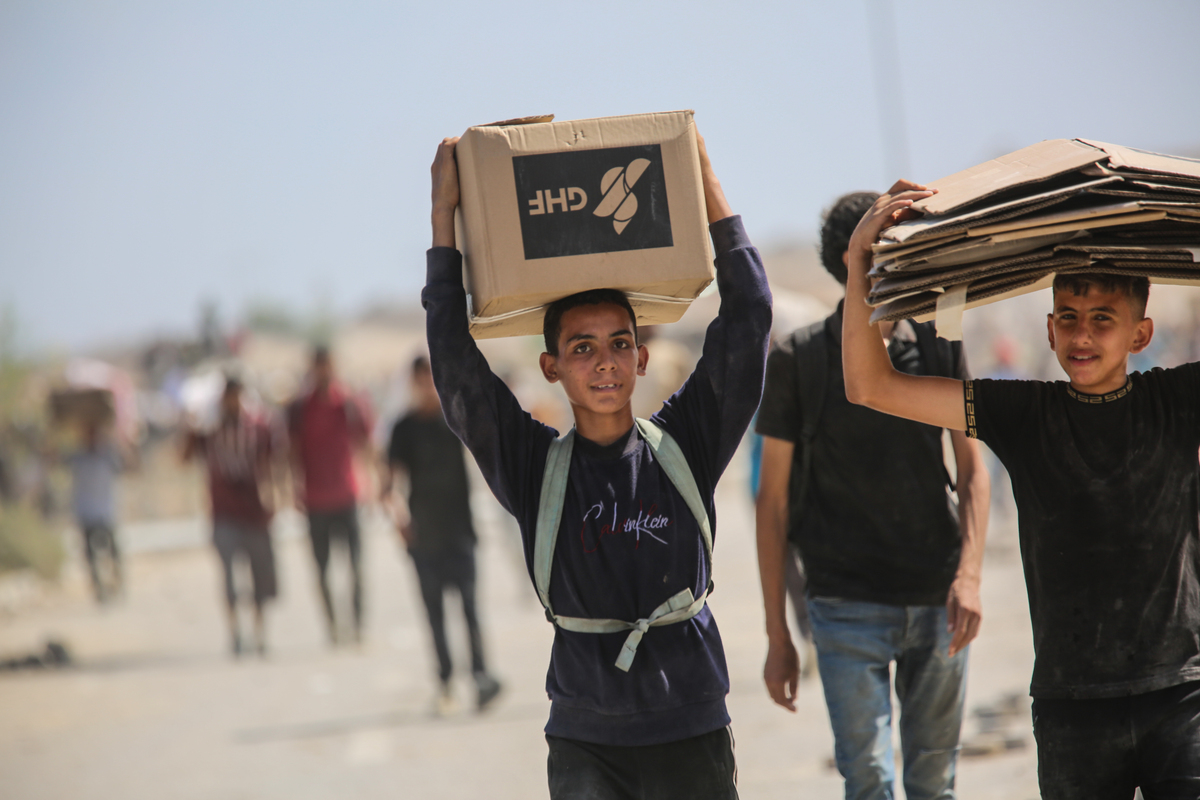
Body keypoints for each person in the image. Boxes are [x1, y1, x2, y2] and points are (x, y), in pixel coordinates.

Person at [422, 129, 771, 800]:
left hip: (692, 725)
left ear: (642, 357)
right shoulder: (535, 470)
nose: (604, 362)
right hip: (586, 741)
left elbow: (749, 316)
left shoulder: (686, 446)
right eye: (581, 348)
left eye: (619, 343)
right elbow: (457, 370)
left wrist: (702, 176)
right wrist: (444, 219)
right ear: (550, 368)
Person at [841, 180, 1200, 798]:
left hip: (1184, 694)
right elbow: (871, 386)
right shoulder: (1023, 412)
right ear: (1050, 328)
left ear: (1139, 336)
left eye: (1102, 321)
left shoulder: (1177, 399)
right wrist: (857, 263)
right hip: (1071, 706)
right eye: (1068, 319)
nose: (1081, 336)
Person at [755, 191, 990, 799]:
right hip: (843, 605)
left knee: (934, 783)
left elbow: (972, 468)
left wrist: (968, 576)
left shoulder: (937, 344)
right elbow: (772, 504)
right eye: (884, 246)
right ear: (851, 259)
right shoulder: (798, 360)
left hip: (937, 599)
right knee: (868, 780)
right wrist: (779, 636)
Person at [381, 355, 502, 714]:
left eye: (431, 379)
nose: (426, 387)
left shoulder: (456, 419)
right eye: (420, 379)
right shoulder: (403, 428)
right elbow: (388, 485)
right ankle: (446, 684)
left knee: (470, 610)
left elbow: (490, 448)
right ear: (412, 383)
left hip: (460, 531)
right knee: (435, 616)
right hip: (424, 538)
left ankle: (481, 678)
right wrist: (400, 520)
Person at [182, 377, 279, 657]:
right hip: (224, 512)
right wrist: (189, 426)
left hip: (255, 511)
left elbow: (274, 461)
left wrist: (275, 496)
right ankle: (236, 632)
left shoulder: (259, 427)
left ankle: (260, 633)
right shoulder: (208, 428)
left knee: (260, 575)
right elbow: (185, 457)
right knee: (229, 577)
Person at [287, 346, 372, 645]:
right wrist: (291, 488)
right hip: (315, 501)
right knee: (322, 571)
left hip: (347, 496)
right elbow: (291, 451)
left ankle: (358, 627)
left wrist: (370, 484)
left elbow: (367, 443)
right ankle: (334, 627)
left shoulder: (349, 403)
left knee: (357, 567)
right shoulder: (299, 408)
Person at [68, 420, 128, 603]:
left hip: (106, 511)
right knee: (90, 555)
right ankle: (99, 590)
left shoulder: (108, 456)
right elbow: (53, 460)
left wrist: (119, 438)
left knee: (113, 552)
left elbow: (129, 464)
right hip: (85, 512)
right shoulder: (77, 457)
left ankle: (117, 582)